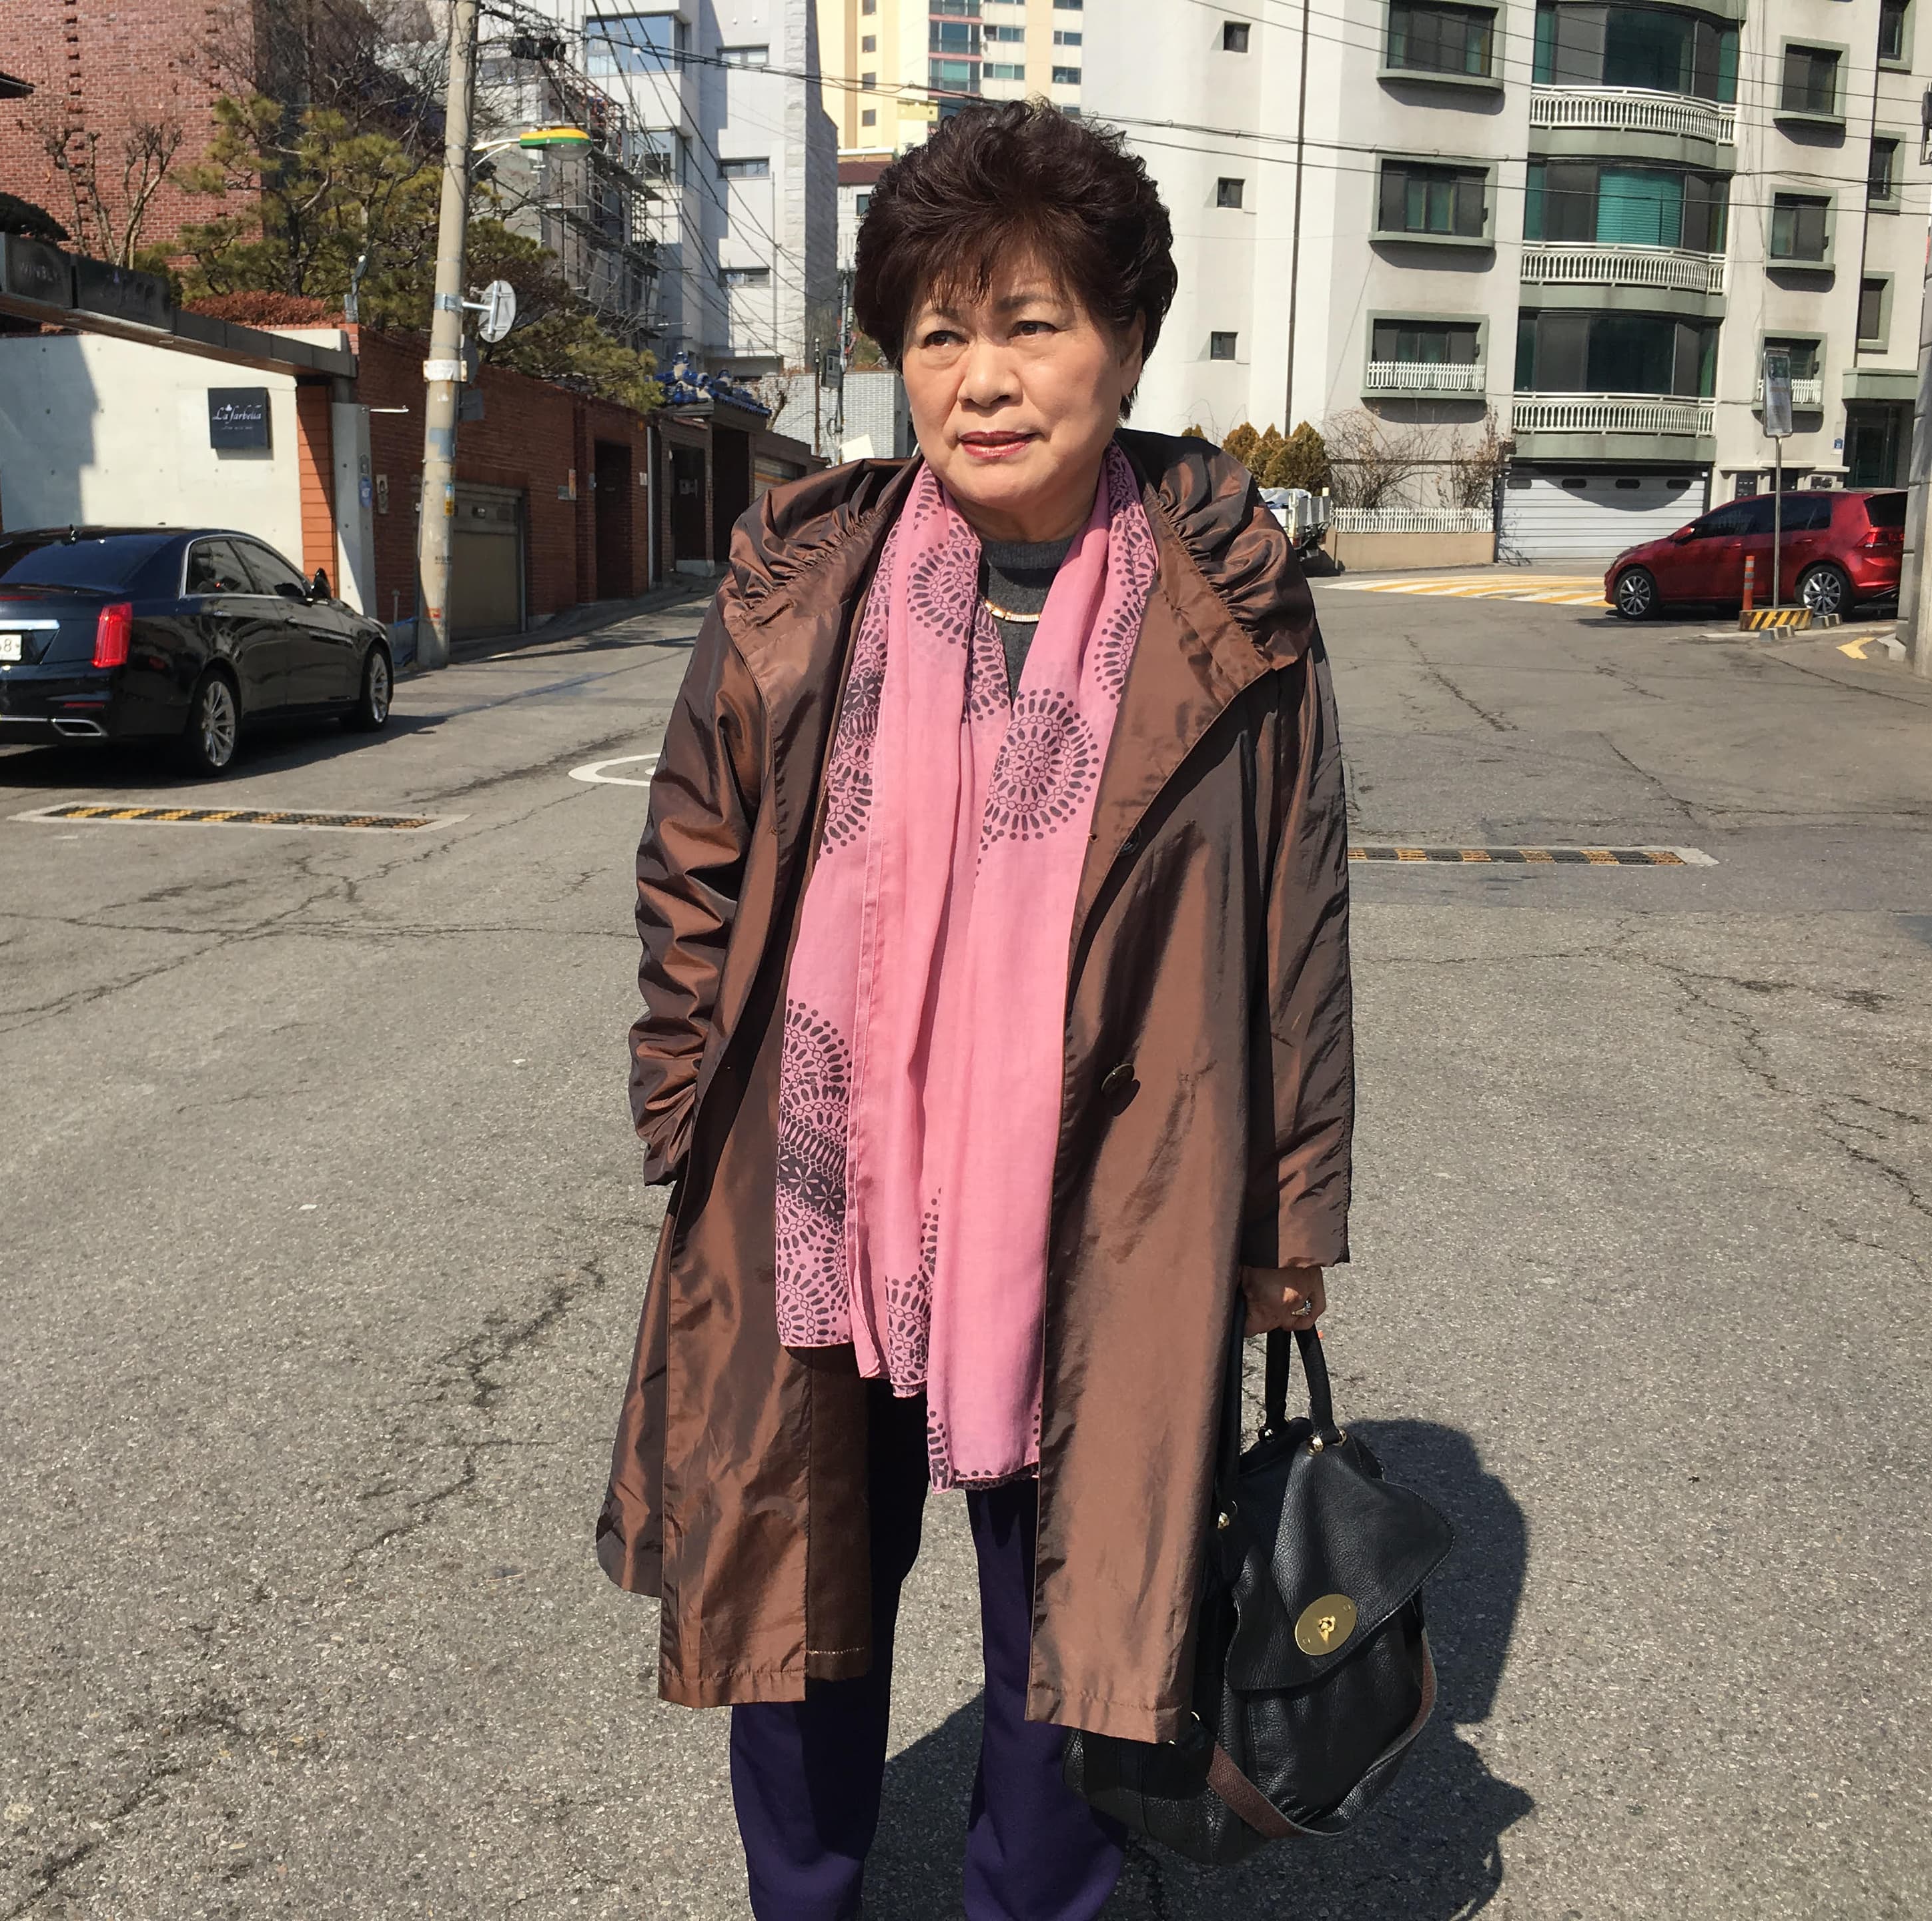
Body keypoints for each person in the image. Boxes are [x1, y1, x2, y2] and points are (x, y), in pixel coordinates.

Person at [596, 102, 1353, 1921]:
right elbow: (693, 853)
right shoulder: (803, 575)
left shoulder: (1229, 605)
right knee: (800, 1619)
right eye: (941, 332)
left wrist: (1292, 1216)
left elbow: (1295, 924)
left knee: (1076, 1635)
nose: (984, 377)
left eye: (1031, 324)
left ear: (1127, 344)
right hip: (816, 1192)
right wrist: (679, 1097)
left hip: (1105, 1203)